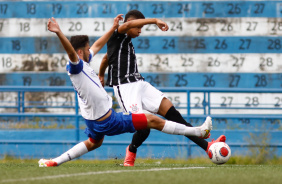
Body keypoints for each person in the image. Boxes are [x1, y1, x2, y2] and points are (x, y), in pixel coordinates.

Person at [38, 15, 212, 167]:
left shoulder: (84, 61)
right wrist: (59, 32)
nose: (92, 49)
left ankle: (55, 161)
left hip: (92, 120)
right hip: (108, 120)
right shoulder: (75, 66)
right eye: (87, 48)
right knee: (153, 120)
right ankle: (199, 132)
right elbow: (70, 52)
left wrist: (112, 28)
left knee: (93, 143)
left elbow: (99, 44)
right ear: (80, 52)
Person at [98, 10, 226, 166]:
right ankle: (131, 151)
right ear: (128, 24)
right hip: (125, 87)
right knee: (144, 127)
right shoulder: (117, 35)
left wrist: (102, 75)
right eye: (139, 27)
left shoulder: (126, 44)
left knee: (173, 114)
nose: (140, 31)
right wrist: (155, 20)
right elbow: (130, 25)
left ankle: (207, 147)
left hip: (140, 84)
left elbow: (106, 58)